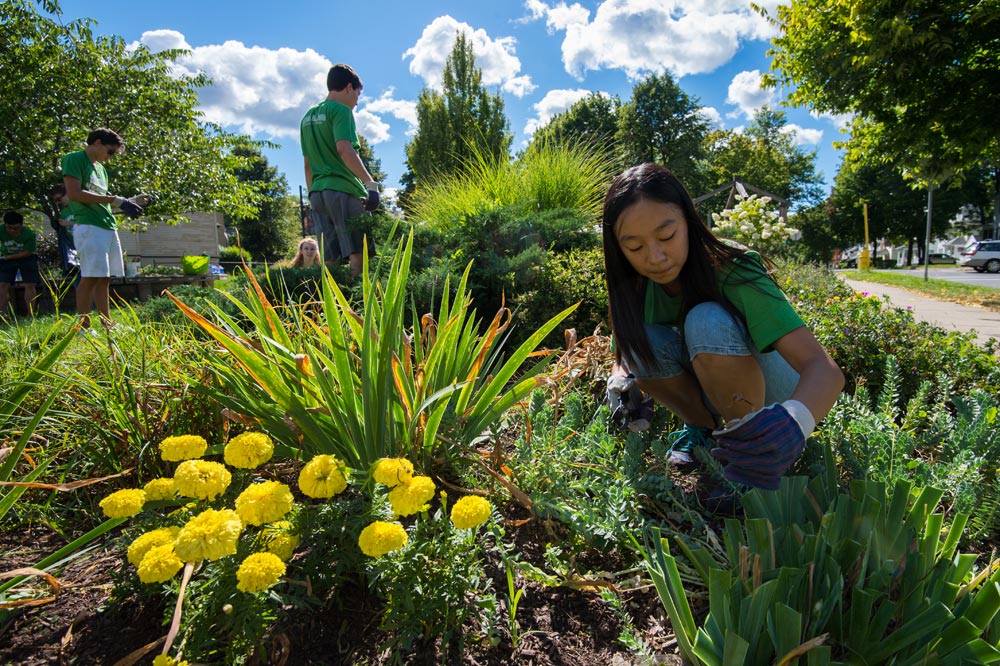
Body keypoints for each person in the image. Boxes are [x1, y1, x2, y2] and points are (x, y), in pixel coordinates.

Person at [603, 163, 844, 492]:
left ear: (689, 223)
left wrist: (795, 420)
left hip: (779, 399)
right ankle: (706, 433)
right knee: (637, 344)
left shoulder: (734, 267)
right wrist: (619, 379)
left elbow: (825, 369)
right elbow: (625, 352)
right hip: (717, 391)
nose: (655, 257)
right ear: (619, 249)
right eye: (635, 247)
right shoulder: (635, 288)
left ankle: (751, 452)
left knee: (705, 320)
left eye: (666, 236)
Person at [300, 63, 380, 278]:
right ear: (348, 87)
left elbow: (307, 163)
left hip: (317, 194)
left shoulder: (307, 117)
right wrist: (370, 184)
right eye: (357, 94)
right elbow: (344, 148)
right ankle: (357, 302)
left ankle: (330, 304)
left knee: (330, 257)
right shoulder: (341, 111)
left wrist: (312, 194)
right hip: (343, 190)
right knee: (358, 250)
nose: (356, 101)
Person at [61, 128, 145, 330]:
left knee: (104, 278)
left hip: (107, 225)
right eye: (110, 152)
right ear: (97, 143)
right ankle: (83, 327)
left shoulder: (101, 169)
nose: (111, 157)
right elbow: (74, 194)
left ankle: (107, 324)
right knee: (89, 277)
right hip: (89, 226)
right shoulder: (74, 159)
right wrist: (116, 200)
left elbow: (102, 200)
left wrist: (128, 203)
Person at [0, 211, 42, 316]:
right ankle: (2, 314)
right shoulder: (1, 230)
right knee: (2, 284)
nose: (12, 231)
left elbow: (28, 252)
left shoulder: (29, 234)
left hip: (27, 258)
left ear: (21, 225)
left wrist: (8, 257)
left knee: (29, 284)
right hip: (6, 258)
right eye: (9, 228)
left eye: (16, 228)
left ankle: (30, 314)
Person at [49, 183, 79, 277]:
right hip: (74, 249)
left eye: (59, 199)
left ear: (68, 193)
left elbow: (90, 223)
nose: (58, 203)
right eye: (55, 201)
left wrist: (70, 223)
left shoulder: (80, 206)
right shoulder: (64, 212)